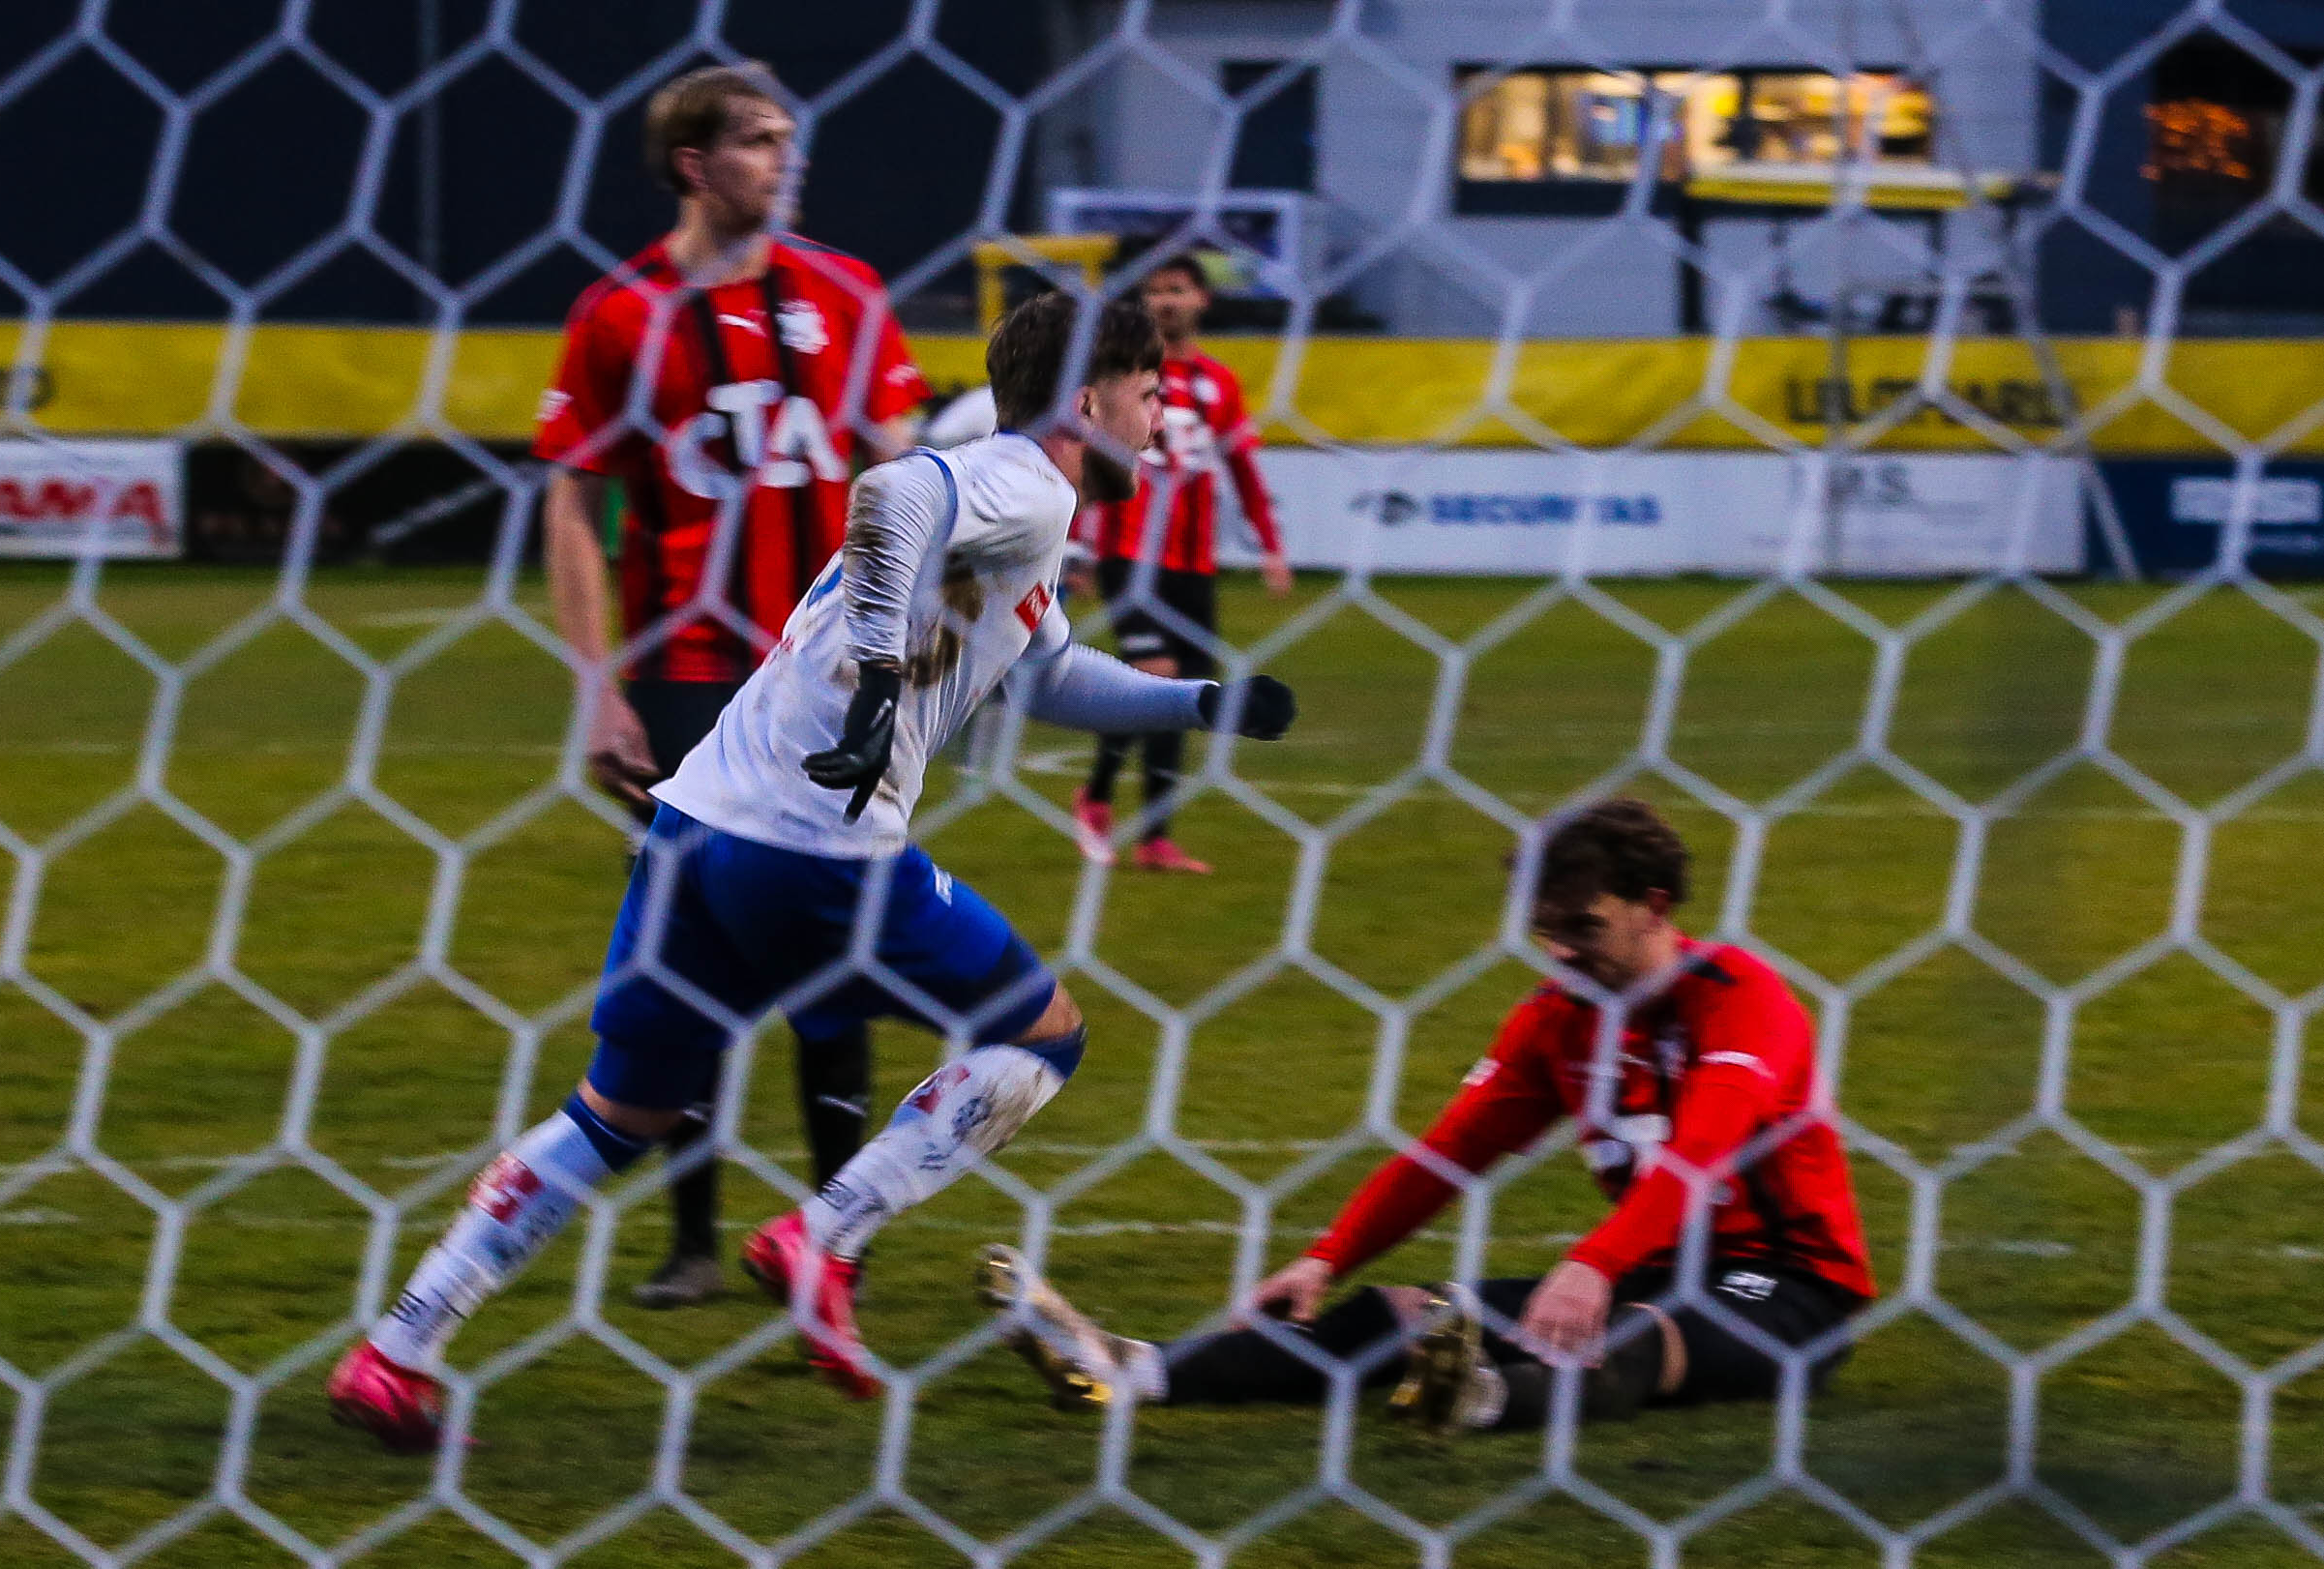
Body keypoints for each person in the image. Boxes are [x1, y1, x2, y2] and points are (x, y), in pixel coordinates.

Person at [326, 290, 1299, 1450]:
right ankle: (822, 1236)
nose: (1162, 414)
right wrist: (883, 669)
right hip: (814, 845)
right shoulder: (1026, 482)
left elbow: (1045, 673)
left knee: (620, 1109)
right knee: (1043, 1033)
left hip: (698, 825)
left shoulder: (1022, 510)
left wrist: (1203, 703)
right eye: (1149, 392)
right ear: (1087, 404)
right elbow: (890, 492)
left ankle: (398, 1349)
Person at [980, 798, 1874, 1433]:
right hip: (1645, 1269)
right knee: (1404, 1314)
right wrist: (1327, 1258)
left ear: (1655, 909)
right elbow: (1445, 1156)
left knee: (1623, 1341)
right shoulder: (1556, 1020)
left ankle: (1480, 1400)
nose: (1560, 953)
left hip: (1788, 1288)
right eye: (1545, 931)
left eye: (1583, 928)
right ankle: (1125, 1369)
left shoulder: (1739, 996)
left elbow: (1702, 1150)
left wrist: (1592, 1265)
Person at [534, 64, 931, 1308]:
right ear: (694, 164)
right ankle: (694, 1241)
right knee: (685, 957)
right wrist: (598, 687)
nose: (784, 157)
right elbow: (573, 503)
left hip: (824, 672)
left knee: (836, 944)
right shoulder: (618, 315)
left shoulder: (847, 293)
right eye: (758, 139)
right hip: (686, 676)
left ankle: (834, 1234)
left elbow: (899, 473)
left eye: (786, 135)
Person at [1070, 253, 1292, 874]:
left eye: (1178, 290)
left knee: (1184, 696)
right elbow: (1087, 461)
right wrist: (1080, 547)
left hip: (1193, 563)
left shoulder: (1220, 382)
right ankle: (1095, 796)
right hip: (1128, 553)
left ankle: (1156, 839)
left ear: (1202, 300)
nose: (1165, 301)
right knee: (1156, 673)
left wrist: (1270, 546)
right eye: (1155, 291)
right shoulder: (1120, 378)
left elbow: (1243, 468)